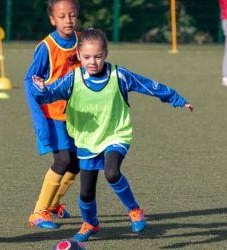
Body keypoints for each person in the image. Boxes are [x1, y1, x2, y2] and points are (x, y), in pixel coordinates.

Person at [31, 28, 194, 242]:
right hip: (87, 141)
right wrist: (41, 89)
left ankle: (134, 211)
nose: (92, 61)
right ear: (79, 56)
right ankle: (90, 223)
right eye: (87, 57)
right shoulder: (73, 79)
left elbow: (149, 85)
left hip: (116, 135)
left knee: (111, 172)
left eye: (98, 56)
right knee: (86, 193)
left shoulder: (119, 75)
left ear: (106, 54)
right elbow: (49, 94)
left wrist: (176, 98)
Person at [24, 0, 81, 229]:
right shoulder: (46, 47)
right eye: (62, 16)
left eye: (72, 15)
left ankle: (53, 205)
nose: (68, 20)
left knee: (77, 163)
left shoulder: (82, 41)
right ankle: (38, 213)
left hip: (76, 114)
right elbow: (30, 79)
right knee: (62, 159)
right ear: (52, 19)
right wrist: (38, 116)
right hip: (53, 114)